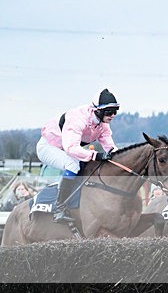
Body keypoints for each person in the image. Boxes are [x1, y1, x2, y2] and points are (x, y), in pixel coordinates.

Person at [36, 89, 120, 223]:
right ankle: (59, 208)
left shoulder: (102, 125)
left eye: (115, 111)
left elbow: (111, 148)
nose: (113, 115)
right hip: (48, 147)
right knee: (73, 164)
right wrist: (96, 155)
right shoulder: (78, 118)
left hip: (66, 148)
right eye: (109, 112)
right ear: (97, 110)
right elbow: (71, 148)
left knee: (88, 165)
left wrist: (121, 158)